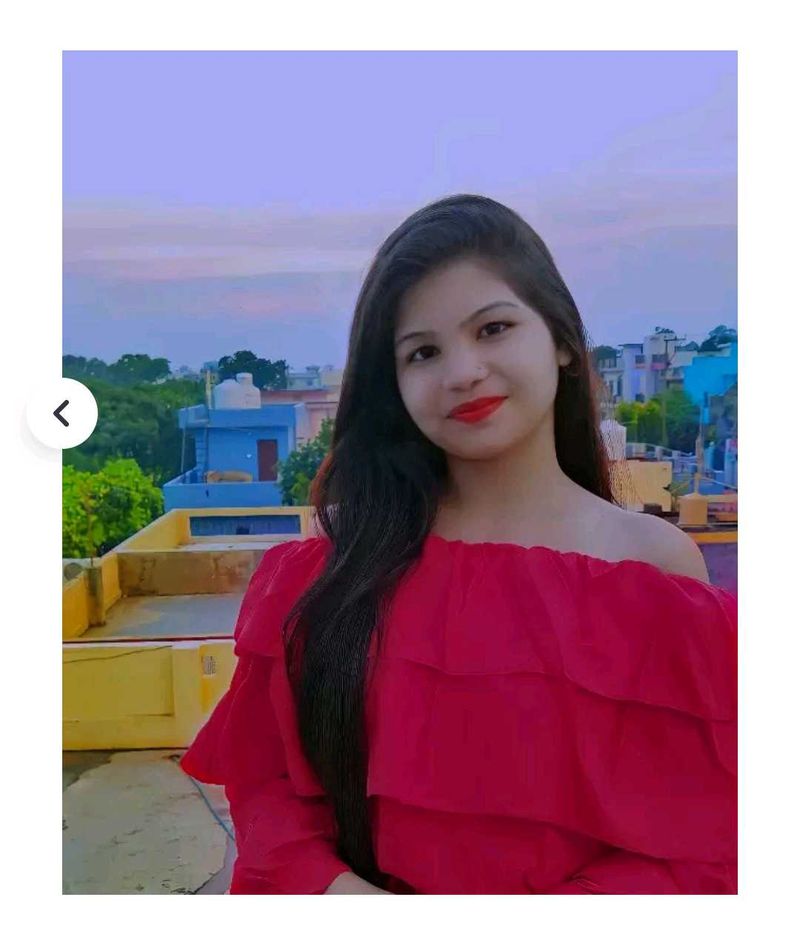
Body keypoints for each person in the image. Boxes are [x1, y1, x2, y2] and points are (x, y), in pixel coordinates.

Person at [179, 194, 737, 895]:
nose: (462, 371)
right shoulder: (337, 561)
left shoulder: (653, 569)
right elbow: (269, 787)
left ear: (563, 341)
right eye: (423, 352)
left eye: (493, 328)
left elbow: (697, 839)